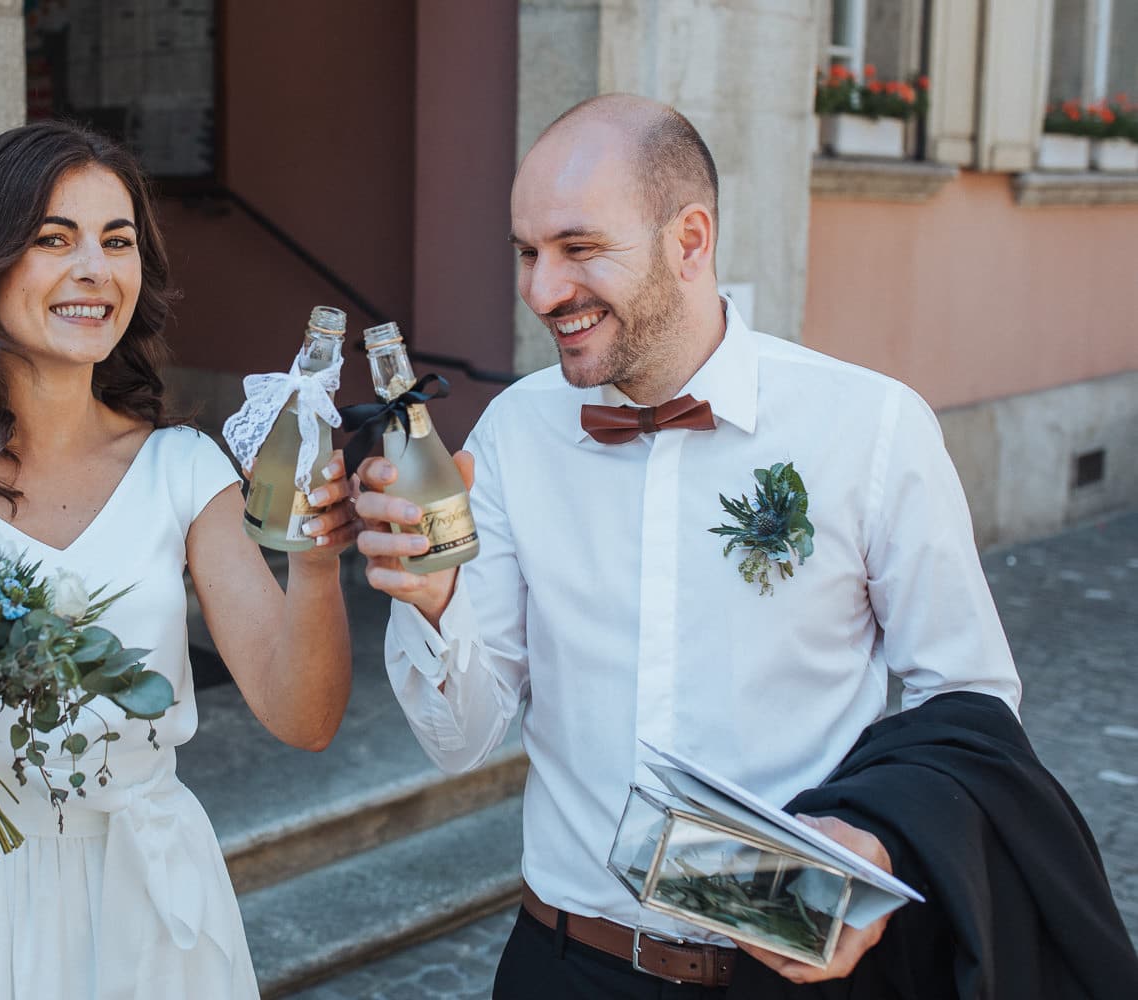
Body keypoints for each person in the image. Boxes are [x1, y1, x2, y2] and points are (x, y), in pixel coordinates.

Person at [354, 94, 1027, 997]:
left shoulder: (868, 426)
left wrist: (875, 842)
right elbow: (462, 740)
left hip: (787, 961)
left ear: (690, 240)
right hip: (567, 962)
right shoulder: (515, 432)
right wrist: (434, 605)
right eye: (527, 253)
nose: (542, 291)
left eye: (579, 248)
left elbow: (970, 697)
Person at [0, 121, 360, 999]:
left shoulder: (185, 470)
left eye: (117, 241)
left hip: (153, 908)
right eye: (55, 238)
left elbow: (303, 719)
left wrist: (316, 561)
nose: (96, 267)